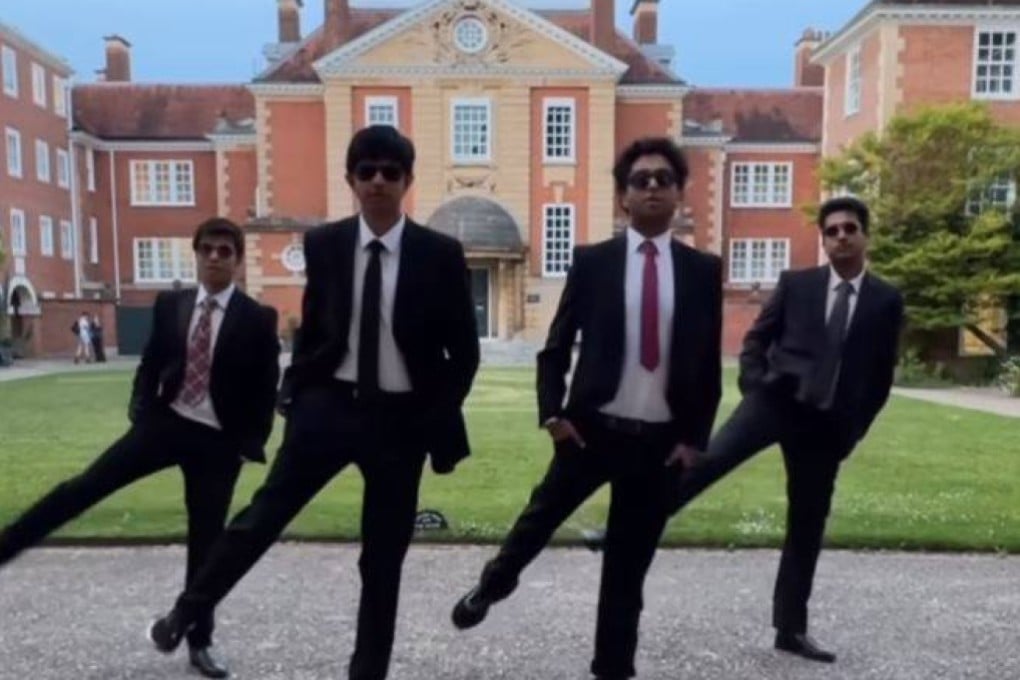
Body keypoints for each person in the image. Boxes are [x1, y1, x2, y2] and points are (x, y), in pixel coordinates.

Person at [148, 125, 480, 680]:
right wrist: (296, 395)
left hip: (401, 420)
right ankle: (188, 610)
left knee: (382, 559)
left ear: (407, 182)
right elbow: (316, 328)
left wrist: (429, 420)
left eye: (389, 172)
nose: (377, 181)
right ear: (350, 179)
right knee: (262, 515)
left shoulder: (439, 253)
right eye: (366, 171)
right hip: (329, 408)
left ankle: (367, 672)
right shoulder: (324, 244)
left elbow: (463, 355)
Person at [450, 137, 723, 680]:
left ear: (678, 194)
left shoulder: (701, 270)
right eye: (640, 180)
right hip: (591, 433)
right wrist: (553, 415)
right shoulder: (594, 262)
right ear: (623, 197)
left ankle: (612, 668)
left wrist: (695, 439)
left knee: (626, 574)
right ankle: (493, 584)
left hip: (658, 445)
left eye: (662, 180)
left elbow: (706, 362)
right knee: (535, 524)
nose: (651, 188)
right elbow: (555, 346)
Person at [0, 217, 280, 678]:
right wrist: (142, 412)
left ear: (237, 260)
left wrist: (247, 445)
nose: (214, 257)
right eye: (207, 248)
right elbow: (151, 363)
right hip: (166, 423)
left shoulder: (256, 318)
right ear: (197, 254)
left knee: (207, 543)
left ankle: (199, 640)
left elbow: (264, 389)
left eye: (224, 251)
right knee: (86, 486)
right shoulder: (172, 304)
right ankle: (9, 543)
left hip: (217, 442)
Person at [665, 196, 903, 663]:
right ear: (824, 238)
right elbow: (756, 339)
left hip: (825, 426)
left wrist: (851, 432)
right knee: (704, 465)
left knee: (806, 527)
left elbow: (879, 377)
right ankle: (623, 530)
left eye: (849, 228)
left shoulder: (885, 300)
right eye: (831, 230)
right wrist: (756, 386)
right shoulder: (798, 285)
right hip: (774, 403)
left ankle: (790, 630)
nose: (840, 237)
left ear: (863, 235)